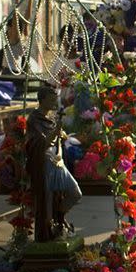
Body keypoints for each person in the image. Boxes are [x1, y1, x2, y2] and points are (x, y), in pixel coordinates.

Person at [26, 86, 82, 242]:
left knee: (75, 193)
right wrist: (56, 132)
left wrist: (61, 135)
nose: (54, 102)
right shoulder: (34, 119)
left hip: (58, 163)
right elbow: (40, 143)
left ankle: (60, 215)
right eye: (51, 99)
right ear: (42, 100)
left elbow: (56, 137)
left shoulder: (51, 119)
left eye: (54, 99)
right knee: (47, 204)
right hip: (44, 166)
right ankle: (50, 231)